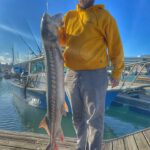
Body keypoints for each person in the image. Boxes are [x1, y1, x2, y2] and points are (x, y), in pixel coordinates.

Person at [58, 0, 124, 149]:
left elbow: (116, 46)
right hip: (72, 74)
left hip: (95, 74)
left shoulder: (104, 16)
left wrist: (117, 72)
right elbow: (61, 41)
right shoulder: (68, 17)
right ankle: (81, 146)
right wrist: (53, 29)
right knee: (77, 118)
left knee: (95, 119)